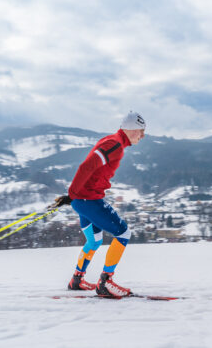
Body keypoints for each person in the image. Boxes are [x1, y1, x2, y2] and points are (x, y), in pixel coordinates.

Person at [52, 111, 146, 297]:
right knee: (123, 233)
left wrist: (73, 196)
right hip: (89, 200)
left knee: (94, 240)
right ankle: (105, 282)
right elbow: (87, 166)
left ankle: (77, 280)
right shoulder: (115, 145)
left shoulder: (113, 141)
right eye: (140, 131)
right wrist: (72, 194)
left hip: (82, 200)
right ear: (130, 129)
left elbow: (89, 168)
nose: (142, 136)